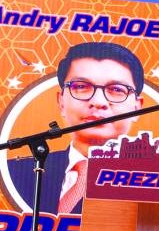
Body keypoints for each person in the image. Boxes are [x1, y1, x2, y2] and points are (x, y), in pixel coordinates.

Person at [7, 42, 145, 214]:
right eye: (81, 87)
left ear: (137, 107)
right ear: (61, 102)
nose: (98, 102)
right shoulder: (15, 173)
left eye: (116, 89)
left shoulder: (158, 183)